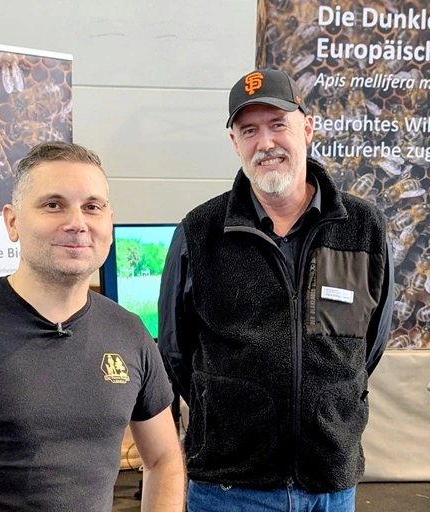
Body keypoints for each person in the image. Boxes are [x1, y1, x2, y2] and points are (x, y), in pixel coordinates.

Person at [158, 69, 394, 512]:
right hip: (229, 486)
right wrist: (230, 408)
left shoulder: (364, 229)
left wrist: (327, 402)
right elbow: (175, 349)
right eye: (249, 130)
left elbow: (370, 343)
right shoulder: (199, 231)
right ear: (234, 143)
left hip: (330, 481)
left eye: (277, 124)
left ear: (307, 127)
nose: (265, 143)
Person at [0, 141, 185, 511]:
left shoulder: (129, 333)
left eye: (92, 207)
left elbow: (164, 460)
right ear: (12, 222)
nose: (77, 223)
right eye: (53, 204)